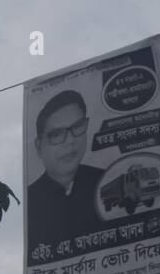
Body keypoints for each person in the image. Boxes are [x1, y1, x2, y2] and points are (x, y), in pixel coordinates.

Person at [26, 90, 105, 260]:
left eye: (77, 127)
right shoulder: (30, 200)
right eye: (57, 134)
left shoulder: (106, 180)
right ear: (39, 146)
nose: (70, 141)